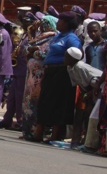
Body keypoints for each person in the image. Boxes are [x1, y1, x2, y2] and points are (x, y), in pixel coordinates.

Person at [31, 11, 81, 142]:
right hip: (50, 72)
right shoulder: (58, 37)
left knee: (58, 103)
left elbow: (77, 55)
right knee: (45, 102)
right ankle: (39, 132)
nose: (57, 23)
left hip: (62, 73)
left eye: (60, 21)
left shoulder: (71, 38)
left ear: (66, 23)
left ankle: (55, 135)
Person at [21, 14, 57, 140]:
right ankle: (26, 131)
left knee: (36, 103)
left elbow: (42, 53)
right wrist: (32, 49)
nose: (42, 26)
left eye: (45, 23)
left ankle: (35, 131)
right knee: (27, 102)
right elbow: (25, 50)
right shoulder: (40, 37)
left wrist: (33, 50)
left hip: (40, 77)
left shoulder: (53, 37)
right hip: (31, 76)